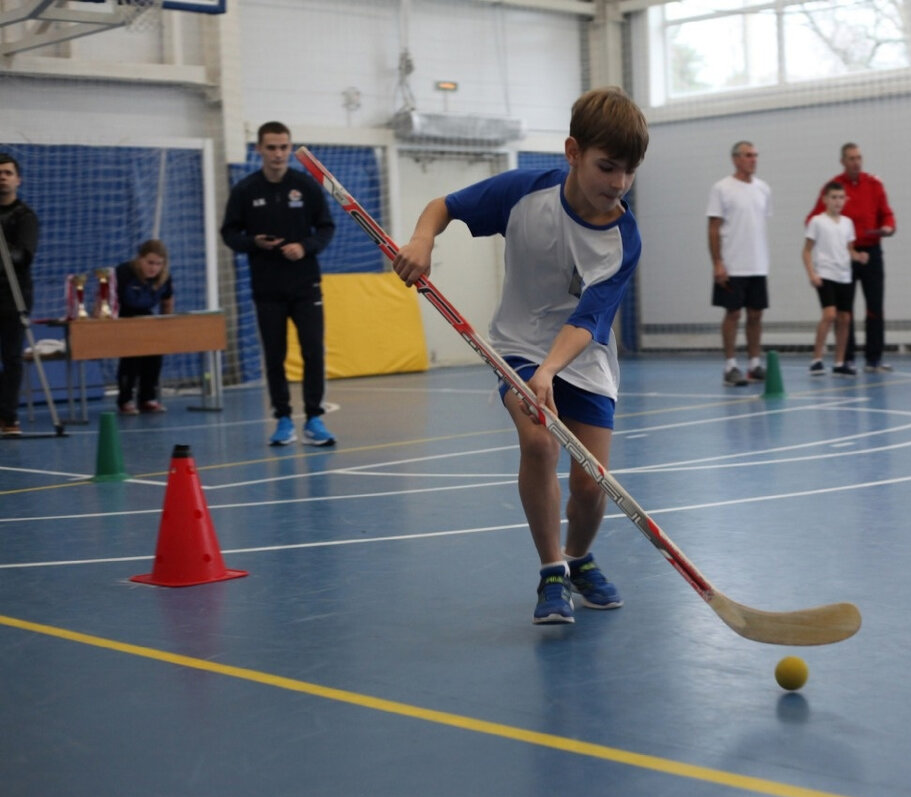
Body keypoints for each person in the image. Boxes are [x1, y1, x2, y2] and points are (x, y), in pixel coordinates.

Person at [390, 87, 649, 626]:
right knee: (537, 441)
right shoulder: (524, 192)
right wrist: (422, 241)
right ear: (573, 152)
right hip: (519, 345)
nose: (619, 183)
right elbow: (446, 207)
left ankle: (579, 559)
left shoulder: (624, 238)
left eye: (629, 171)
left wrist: (553, 371)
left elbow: (588, 321)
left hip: (584, 356)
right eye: (607, 167)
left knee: (589, 482)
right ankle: (552, 571)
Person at [221, 121, 337, 446]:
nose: (278, 153)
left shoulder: (306, 186)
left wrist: (305, 247)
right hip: (267, 288)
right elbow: (229, 233)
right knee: (275, 355)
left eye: (283, 147)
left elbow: (326, 228)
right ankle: (283, 419)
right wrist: (254, 242)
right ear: (259, 149)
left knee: (313, 352)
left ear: (290, 148)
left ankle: (314, 419)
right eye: (271, 147)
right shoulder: (245, 190)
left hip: (306, 286)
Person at [806, 143, 895, 372]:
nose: (856, 162)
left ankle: (874, 359)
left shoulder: (874, 184)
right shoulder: (833, 187)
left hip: (871, 253)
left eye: (859, 158)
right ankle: (845, 358)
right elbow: (814, 218)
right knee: (845, 312)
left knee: (875, 306)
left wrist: (888, 227)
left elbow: (887, 214)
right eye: (851, 158)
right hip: (845, 256)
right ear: (843, 161)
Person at [707, 140, 772, 387]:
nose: (753, 159)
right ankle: (730, 365)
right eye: (747, 155)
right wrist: (718, 262)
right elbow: (713, 228)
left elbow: (759, 223)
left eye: (755, 155)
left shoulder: (763, 189)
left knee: (756, 314)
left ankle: (755, 364)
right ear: (735, 159)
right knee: (733, 313)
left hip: (758, 264)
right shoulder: (721, 188)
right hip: (732, 264)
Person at [804, 182, 868, 377]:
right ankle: (817, 359)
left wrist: (858, 256)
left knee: (845, 318)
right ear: (825, 200)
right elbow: (806, 251)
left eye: (841, 197)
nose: (837, 201)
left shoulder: (848, 223)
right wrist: (812, 273)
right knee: (829, 314)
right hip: (825, 273)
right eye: (833, 197)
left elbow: (849, 250)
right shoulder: (817, 221)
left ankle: (840, 362)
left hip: (844, 275)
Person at [0, 153, 40, 438]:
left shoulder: (25, 217)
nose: (2, 177)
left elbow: (22, 256)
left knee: (11, 356)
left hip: (13, 293)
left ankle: (8, 416)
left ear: (17, 179)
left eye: (7, 172)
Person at [114, 240, 174, 414]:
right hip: (123, 315)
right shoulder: (124, 272)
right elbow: (108, 298)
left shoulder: (165, 277)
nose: (153, 268)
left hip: (145, 316)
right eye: (150, 262)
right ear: (140, 259)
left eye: (158, 264)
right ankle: (125, 399)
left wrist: (166, 325)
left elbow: (167, 302)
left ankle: (148, 397)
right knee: (131, 357)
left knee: (155, 352)